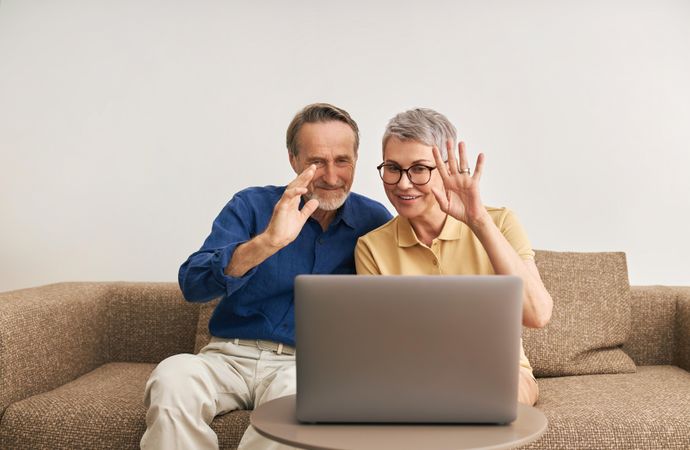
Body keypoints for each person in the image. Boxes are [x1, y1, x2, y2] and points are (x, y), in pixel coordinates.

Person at [141, 103, 392, 450]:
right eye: (317, 162)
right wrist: (268, 242)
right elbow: (193, 284)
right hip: (227, 356)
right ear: (293, 160)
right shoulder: (251, 205)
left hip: (302, 368)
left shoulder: (374, 219)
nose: (332, 176)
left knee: (300, 406)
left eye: (342, 160)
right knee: (172, 378)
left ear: (357, 159)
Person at [355, 108, 553, 406]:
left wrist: (478, 221)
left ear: (446, 169)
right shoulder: (371, 247)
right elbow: (383, 346)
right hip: (415, 376)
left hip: (500, 374)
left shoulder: (499, 222)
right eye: (393, 167)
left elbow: (537, 315)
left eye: (420, 168)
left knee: (490, 397)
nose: (403, 183)